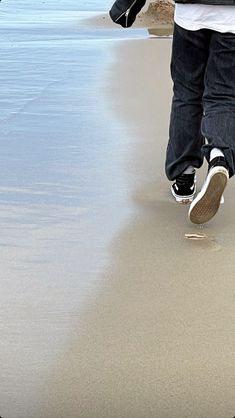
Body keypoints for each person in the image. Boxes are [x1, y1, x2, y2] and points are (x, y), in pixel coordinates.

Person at [109, 0, 235, 224]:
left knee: (187, 93)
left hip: (191, 13)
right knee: (223, 96)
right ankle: (219, 158)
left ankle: (184, 176)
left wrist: (124, 6)